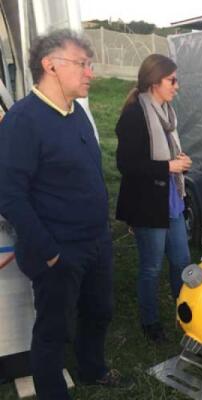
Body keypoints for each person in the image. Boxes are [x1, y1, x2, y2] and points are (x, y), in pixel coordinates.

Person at [0, 30, 128, 399]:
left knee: (99, 311)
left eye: (90, 65)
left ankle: (92, 368)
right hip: (57, 250)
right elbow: (9, 196)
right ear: (50, 65)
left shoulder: (78, 114)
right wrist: (50, 251)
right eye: (82, 64)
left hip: (96, 242)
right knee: (54, 330)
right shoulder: (23, 121)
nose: (90, 73)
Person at [115, 54, 192, 343]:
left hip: (172, 200)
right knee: (151, 267)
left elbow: (167, 156)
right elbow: (126, 165)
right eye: (172, 80)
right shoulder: (135, 115)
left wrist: (180, 162)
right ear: (154, 81)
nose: (177, 86)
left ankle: (186, 313)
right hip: (147, 204)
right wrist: (168, 166)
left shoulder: (168, 114)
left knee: (182, 261)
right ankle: (150, 322)